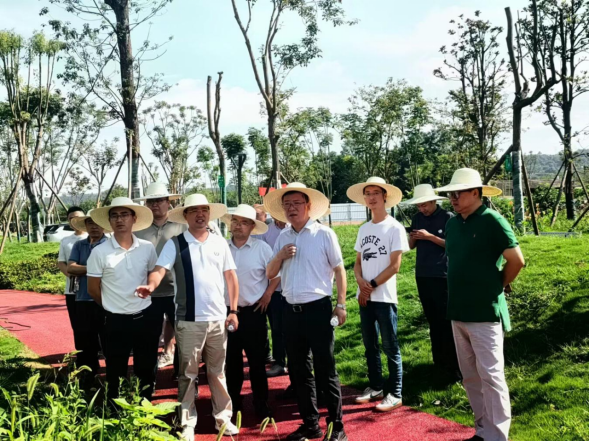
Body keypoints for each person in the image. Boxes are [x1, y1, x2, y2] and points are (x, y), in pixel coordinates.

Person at [135, 194, 239, 441]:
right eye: (194, 210)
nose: (200, 214)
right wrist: (151, 285)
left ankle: (223, 418)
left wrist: (233, 310)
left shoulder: (219, 242)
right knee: (187, 374)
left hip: (218, 319)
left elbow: (231, 277)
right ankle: (187, 422)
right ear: (185, 215)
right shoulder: (176, 243)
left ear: (209, 214)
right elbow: (160, 269)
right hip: (188, 320)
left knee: (217, 372)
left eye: (204, 210)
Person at [436, 168, 525, 441]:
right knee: (470, 377)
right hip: (457, 310)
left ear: (476, 192)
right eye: (450, 193)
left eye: (458, 192)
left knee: (491, 376)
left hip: (485, 312)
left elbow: (517, 260)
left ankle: (498, 436)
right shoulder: (453, 224)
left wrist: (497, 284)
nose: (453, 197)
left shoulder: (493, 221)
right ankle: (483, 431)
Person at [265, 182, 348, 442]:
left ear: (308, 206)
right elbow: (270, 273)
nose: (291, 208)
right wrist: (280, 256)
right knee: (299, 371)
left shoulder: (324, 234)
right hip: (290, 311)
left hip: (318, 309)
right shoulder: (283, 237)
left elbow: (339, 270)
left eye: (297, 203)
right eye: (287, 204)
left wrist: (341, 304)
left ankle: (337, 427)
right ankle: (310, 425)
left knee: (326, 370)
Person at [86, 197, 160, 402]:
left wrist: (149, 287)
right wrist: (111, 306)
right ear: (109, 221)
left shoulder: (147, 247)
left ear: (134, 218)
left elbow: (153, 273)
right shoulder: (99, 252)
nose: (119, 219)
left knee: (146, 367)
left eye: (124, 214)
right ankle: (115, 410)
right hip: (115, 320)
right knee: (115, 370)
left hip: (145, 316)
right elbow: (93, 289)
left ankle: (145, 406)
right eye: (114, 216)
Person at [346, 177, 409, 412]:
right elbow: (357, 263)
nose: (371, 197)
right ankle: (376, 387)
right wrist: (360, 283)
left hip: (384, 298)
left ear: (384, 196)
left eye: (375, 193)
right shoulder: (364, 228)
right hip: (365, 297)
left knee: (390, 346)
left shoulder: (394, 227)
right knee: (370, 345)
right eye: (367, 193)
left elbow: (395, 266)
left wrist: (370, 285)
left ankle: (396, 393)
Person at [220, 204, 279, 418]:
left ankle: (261, 403)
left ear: (252, 226)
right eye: (235, 221)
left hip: (254, 312)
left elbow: (276, 274)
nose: (238, 226)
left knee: (257, 362)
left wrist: (268, 294)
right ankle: (234, 403)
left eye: (244, 222)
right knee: (232, 362)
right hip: (227, 313)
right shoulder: (222, 248)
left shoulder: (262, 249)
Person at [405, 184, 459, 377]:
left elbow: (452, 245)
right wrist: (413, 237)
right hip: (422, 274)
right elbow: (411, 246)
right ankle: (438, 362)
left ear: (434, 201)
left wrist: (429, 237)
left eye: (425, 205)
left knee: (445, 321)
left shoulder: (448, 217)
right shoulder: (417, 218)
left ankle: (453, 365)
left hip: (441, 274)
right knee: (432, 321)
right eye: (419, 206)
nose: (422, 209)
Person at [134, 182, 186, 371]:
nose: (155, 204)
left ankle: (181, 375)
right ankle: (147, 378)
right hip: (148, 294)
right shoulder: (138, 229)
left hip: (177, 291)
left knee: (183, 336)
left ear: (168, 202)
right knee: (147, 338)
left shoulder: (182, 226)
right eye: (151, 201)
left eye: (160, 200)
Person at [67, 213, 110, 384]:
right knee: (86, 339)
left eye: (97, 223)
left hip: (105, 299)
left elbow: (110, 269)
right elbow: (71, 268)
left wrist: (84, 268)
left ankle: (113, 376)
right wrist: (94, 269)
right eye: (90, 223)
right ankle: (89, 375)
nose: (94, 227)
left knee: (108, 339)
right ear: (85, 226)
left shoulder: (110, 244)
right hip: (83, 299)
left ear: (103, 225)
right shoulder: (79, 245)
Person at [252, 204, 290, 379]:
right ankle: (280, 362)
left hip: (293, 289)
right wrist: (269, 290)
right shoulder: (267, 232)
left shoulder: (293, 230)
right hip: (275, 289)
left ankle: (296, 363)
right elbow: (269, 262)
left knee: (295, 329)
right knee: (277, 327)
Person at [57, 206, 88, 349]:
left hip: (94, 286)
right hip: (72, 289)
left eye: (78, 217)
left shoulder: (94, 236)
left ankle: (98, 349)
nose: (75, 221)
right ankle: (81, 351)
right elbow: (61, 262)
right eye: (71, 218)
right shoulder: (66, 241)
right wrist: (72, 274)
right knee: (77, 322)